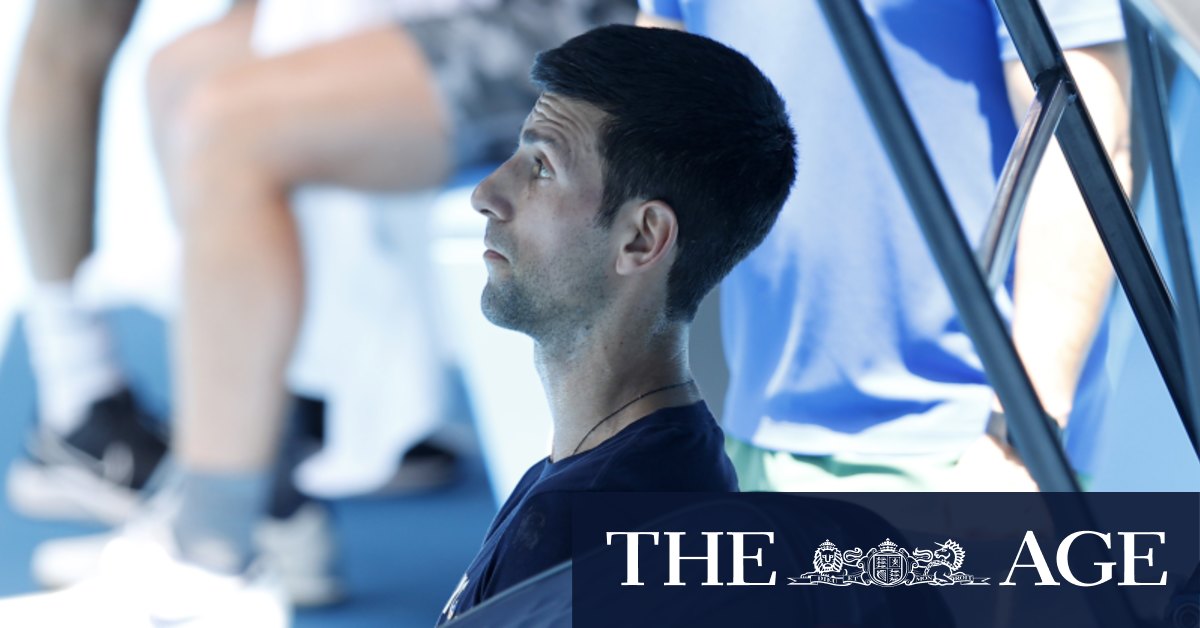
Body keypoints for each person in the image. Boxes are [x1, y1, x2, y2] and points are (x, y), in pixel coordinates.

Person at [1, 0, 637, 624]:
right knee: (181, 71)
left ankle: (211, 560)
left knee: (230, 125)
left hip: (593, 24)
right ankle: (271, 496)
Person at [638, 0, 1132, 491]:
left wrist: (1022, 437)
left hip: (962, 448)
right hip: (753, 434)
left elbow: (1085, 143)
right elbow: (648, 122)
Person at [437, 24, 797, 622]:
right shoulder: (618, 470)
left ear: (642, 237)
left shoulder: (585, 536)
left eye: (542, 167)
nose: (487, 193)